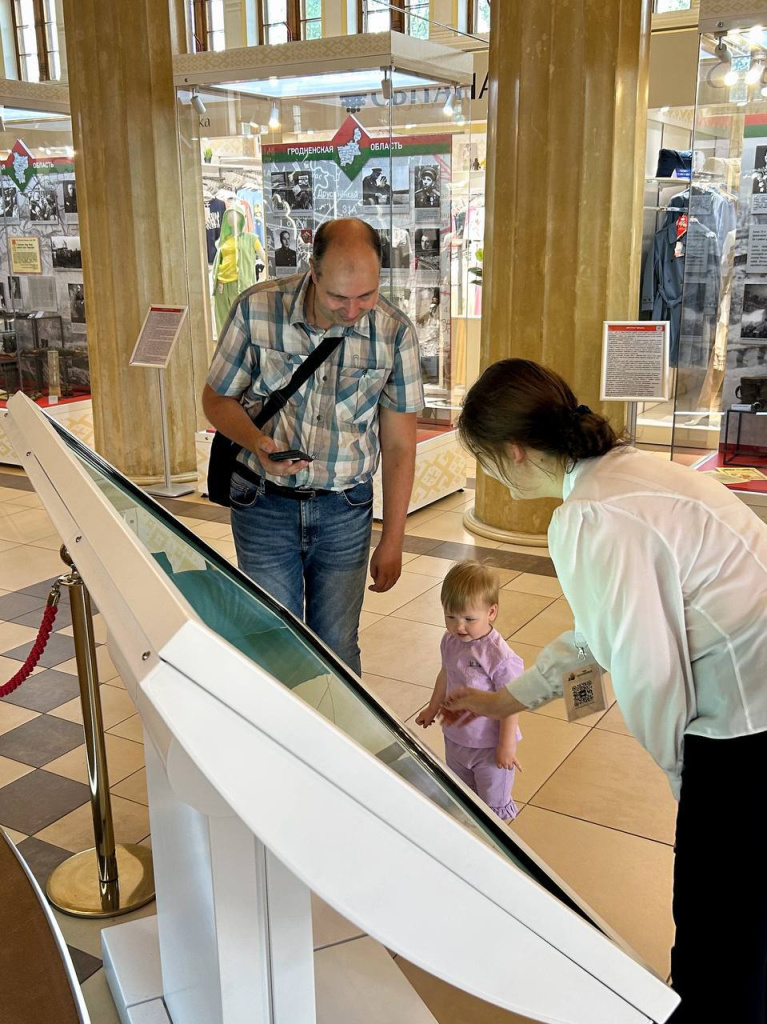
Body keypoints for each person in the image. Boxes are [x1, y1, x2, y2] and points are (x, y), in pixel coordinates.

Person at [441, 358, 767, 1024]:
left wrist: (684, 778)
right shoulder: (622, 474)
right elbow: (598, 634)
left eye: (484, 460)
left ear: (512, 451)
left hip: (746, 721)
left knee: (720, 922)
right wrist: (507, 700)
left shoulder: (591, 515)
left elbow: (647, 671)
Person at [202, 218, 424, 675]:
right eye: (338, 298)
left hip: (346, 508)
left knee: (337, 648)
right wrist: (258, 442)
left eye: (366, 296)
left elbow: (400, 444)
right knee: (274, 643)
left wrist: (394, 538)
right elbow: (216, 401)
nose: (352, 311)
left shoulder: (393, 331)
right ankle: (280, 745)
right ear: (313, 272)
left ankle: (338, 746)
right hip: (263, 504)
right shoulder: (257, 309)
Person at [415, 561, 523, 822]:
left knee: (493, 807)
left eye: (468, 619)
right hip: (456, 739)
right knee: (464, 799)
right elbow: (446, 674)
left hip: (489, 747)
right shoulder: (450, 641)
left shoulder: (498, 656)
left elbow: (512, 702)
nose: (458, 626)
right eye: (450, 617)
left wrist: (506, 745)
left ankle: (495, 849)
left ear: (491, 612)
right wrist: (433, 707)